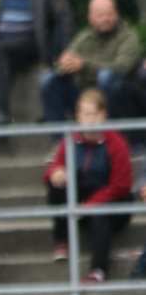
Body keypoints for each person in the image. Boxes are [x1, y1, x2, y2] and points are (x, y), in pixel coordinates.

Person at [44, 89, 131, 283]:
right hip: (81, 205)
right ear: (78, 116)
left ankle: (98, 271)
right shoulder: (71, 140)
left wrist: (88, 207)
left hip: (112, 206)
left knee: (100, 213)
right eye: (86, 114)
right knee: (57, 185)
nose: (90, 120)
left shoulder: (116, 143)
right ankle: (62, 241)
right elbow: (54, 167)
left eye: (94, 114)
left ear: (104, 115)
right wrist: (55, 173)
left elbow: (121, 186)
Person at [39, 0, 141, 125]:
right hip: (84, 95)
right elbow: (68, 61)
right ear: (90, 17)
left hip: (119, 98)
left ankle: (109, 132)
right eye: (100, 15)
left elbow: (121, 68)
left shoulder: (129, 38)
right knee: (48, 79)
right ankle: (60, 135)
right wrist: (63, 65)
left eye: (109, 14)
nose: (105, 18)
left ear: (116, 14)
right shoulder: (83, 38)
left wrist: (84, 65)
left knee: (106, 77)